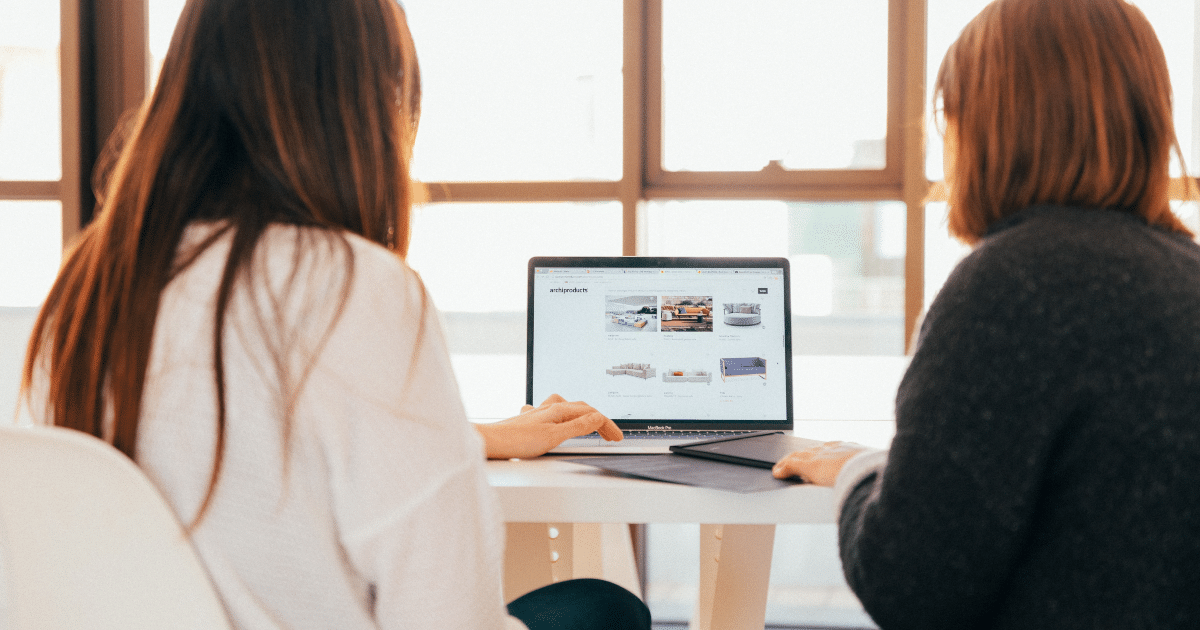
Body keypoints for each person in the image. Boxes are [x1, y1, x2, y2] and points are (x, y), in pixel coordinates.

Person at [18, 0, 648, 629]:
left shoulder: (88, 288)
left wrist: (474, 436)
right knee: (605, 609)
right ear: (369, 107)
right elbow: (447, 613)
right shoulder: (354, 288)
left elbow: (238, 447)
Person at [772, 0, 1200, 627]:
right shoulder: (1186, 274)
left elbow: (910, 585)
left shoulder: (1012, 285)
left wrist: (859, 471)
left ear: (989, 126)